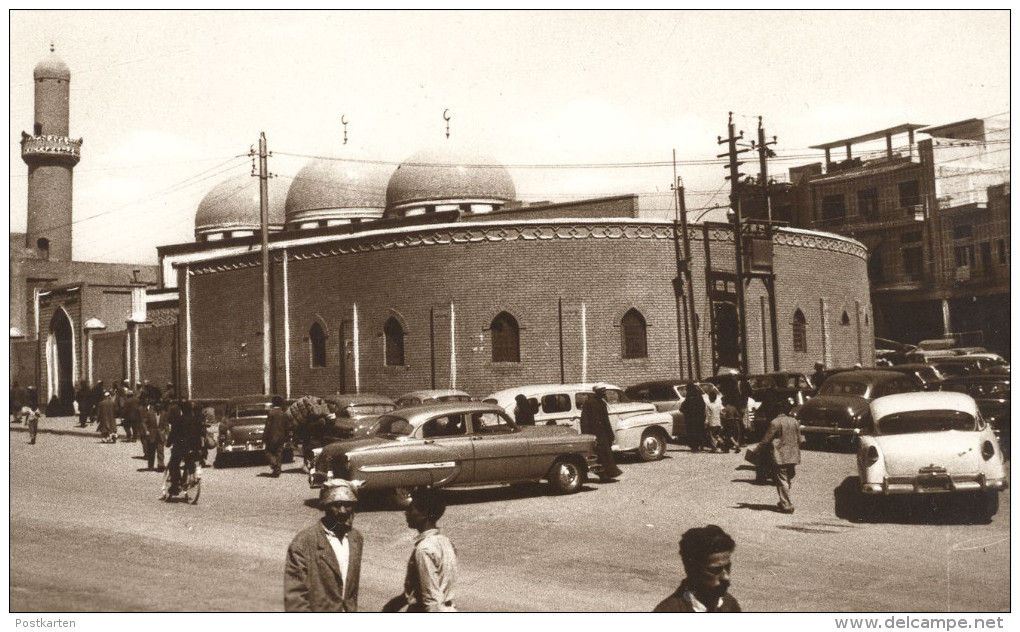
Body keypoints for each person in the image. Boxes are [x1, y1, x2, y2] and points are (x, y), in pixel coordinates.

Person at [284, 479, 363, 612]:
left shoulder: (356, 538)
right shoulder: (304, 541)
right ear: (325, 507)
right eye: (337, 505)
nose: (343, 511)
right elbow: (295, 596)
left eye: (348, 505)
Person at [383, 489, 458, 612]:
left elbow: (431, 599)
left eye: (411, 509)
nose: (406, 513)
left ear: (424, 514)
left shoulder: (424, 549)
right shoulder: (446, 542)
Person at [653, 525, 740, 612]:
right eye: (715, 570)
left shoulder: (729, 604)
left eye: (727, 567)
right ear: (693, 570)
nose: (726, 577)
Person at [757, 400, 801, 514]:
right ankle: (784, 501)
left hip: (780, 455)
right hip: (793, 455)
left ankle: (786, 504)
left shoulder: (775, 422)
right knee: (787, 478)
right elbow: (800, 439)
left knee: (782, 480)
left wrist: (756, 450)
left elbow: (766, 440)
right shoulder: (795, 421)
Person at [579, 384, 622, 481]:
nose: (604, 394)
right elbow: (585, 420)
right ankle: (603, 475)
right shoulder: (589, 403)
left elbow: (606, 420)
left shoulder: (602, 403)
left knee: (606, 454)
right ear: (597, 392)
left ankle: (609, 474)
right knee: (598, 455)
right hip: (594, 434)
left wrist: (610, 434)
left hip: (603, 433)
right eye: (602, 391)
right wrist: (587, 435)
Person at [166, 401, 203, 496]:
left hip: (181, 447)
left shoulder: (179, 420)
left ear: (182, 410)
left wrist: (168, 443)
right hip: (194, 447)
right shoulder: (196, 420)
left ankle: (175, 485)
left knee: (174, 463)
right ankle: (188, 478)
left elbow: (173, 433)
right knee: (189, 461)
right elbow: (200, 434)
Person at [264, 395, 289, 478]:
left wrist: (264, 436)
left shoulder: (271, 413)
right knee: (279, 452)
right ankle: (277, 469)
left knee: (268, 451)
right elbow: (286, 427)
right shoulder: (283, 414)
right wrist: (287, 437)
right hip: (281, 437)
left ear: (273, 403)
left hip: (272, 436)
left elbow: (268, 426)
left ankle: (274, 464)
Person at [680, 383, 707, 452]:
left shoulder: (690, 396)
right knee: (699, 431)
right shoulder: (698, 395)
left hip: (691, 418)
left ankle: (695, 447)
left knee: (692, 432)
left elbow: (685, 406)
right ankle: (700, 446)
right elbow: (702, 405)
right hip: (699, 418)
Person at [139, 402, 161, 470]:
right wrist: (146, 430)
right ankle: (150, 466)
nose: (158, 408)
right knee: (151, 451)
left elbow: (165, 424)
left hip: (160, 435)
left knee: (160, 450)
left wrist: (167, 433)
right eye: (157, 407)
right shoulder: (149, 413)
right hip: (152, 434)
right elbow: (144, 422)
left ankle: (160, 465)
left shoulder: (164, 414)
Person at [703, 386, 724, 452]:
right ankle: (722, 442)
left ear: (710, 398)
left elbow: (707, 415)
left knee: (711, 436)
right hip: (718, 422)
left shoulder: (708, 405)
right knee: (717, 435)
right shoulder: (718, 405)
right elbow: (722, 412)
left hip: (712, 422)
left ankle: (714, 448)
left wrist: (706, 422)